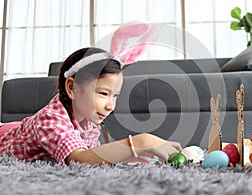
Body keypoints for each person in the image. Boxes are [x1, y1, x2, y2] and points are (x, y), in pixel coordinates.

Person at [0, 22, 182, 165]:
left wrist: (127, 155)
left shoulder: (88, 121)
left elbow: (93, 155)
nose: (111, 105)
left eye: (115, 95)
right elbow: (79, 159)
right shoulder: (50, 120)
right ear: (72, 88)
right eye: (103, 93)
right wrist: (142, 142)